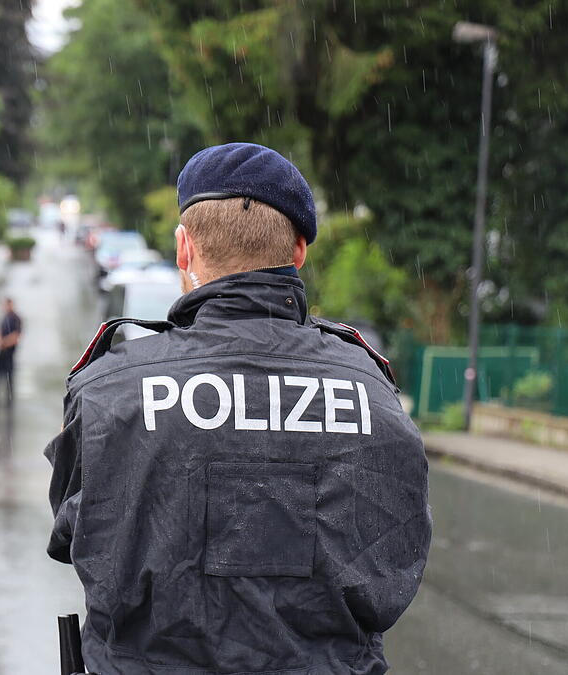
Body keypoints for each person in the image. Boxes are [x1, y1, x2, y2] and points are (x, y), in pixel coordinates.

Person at [44, 143, 431, 675]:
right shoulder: (373, 395)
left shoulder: (111, 390)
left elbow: (75, 535)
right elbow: (397, 560)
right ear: (299, 252)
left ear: (184, 249)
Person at [0, 297, 22, 404]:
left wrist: (4, 342)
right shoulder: (4, 318)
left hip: (9, 353)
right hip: (1, 352)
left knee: (9, 377)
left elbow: (16, 336)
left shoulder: (16, 318)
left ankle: (9, 400)